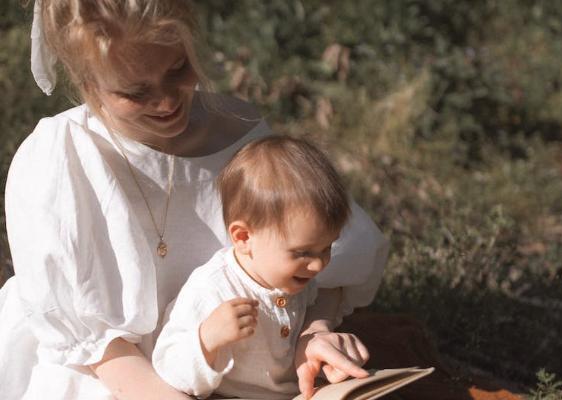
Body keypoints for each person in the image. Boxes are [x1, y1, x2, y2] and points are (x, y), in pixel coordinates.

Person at [0, 1, 388, 399]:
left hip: (244, 369)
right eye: (136, 92)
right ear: (87, 81)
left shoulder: (238, 135)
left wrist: (311, 334)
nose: (167, 101)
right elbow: (99, 349)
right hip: (121, 377)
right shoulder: (62, 162)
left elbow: (316, 262)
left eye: (177, 69)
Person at [152, 135, 370, 399]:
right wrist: (207, 339)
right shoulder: (212, 289)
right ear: (243, 237)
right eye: (303, 252)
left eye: (327, 248)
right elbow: (168, 367)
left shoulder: (294, 278)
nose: (318, 264)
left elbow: (313, 308)